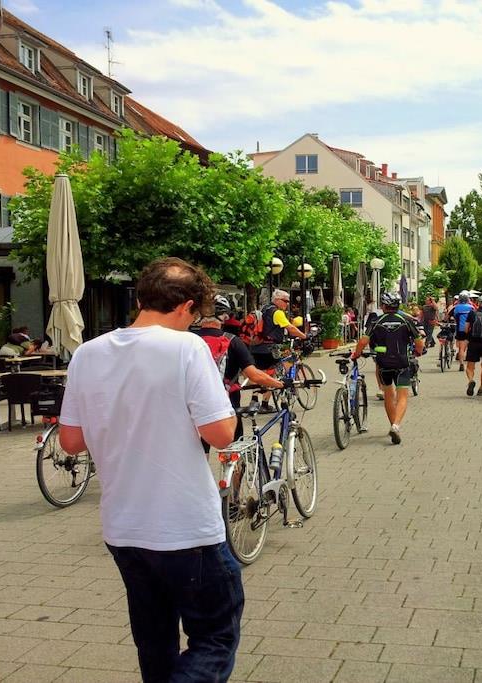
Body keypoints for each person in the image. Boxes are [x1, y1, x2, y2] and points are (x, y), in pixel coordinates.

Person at [58, 258, 243, 682]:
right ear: (187, 307)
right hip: (185, 526)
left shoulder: (87, 353)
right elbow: (220, 434)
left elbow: (71, 441)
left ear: (141, 297)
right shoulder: (187, 348)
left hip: (124, 527)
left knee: (155, 641)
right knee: (215, 637)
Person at [195, 295, 288, 441]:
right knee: (235, 443)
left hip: (196, 402)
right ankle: (235, 456)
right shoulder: (232, 341)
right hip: (227, 402)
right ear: (224, 316)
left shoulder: (188, 340)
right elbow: (254, 375)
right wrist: (280, 383)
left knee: (201, 444)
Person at [350, 292, 424, 444]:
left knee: (389, 394)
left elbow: (363, 341)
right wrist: (418, 352)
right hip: (402, 362)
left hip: (383, 363)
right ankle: (396, 426)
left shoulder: (376, 321)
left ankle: (392, 425)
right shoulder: (406, 320)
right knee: (402, 396)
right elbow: (419, 342)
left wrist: (356, 354)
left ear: (383, 306)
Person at [248, 289, 307, 412]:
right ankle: (264, 404)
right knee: (273, 373)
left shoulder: (264, 309)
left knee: (259, 373)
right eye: (285, 301)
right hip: (270, 348)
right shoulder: (277, 312)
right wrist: (304, 336)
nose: (287, 304)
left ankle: (255, 400)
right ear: (277, 300)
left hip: (256, 346)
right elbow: (290, 328)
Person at [451, 292, 475, 372]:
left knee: (461, 348)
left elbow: (454, 316)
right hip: (470, 329)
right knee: (469, 346)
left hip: (460, 329)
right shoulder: (471, 307)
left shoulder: (457, 307)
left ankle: (461, 363)